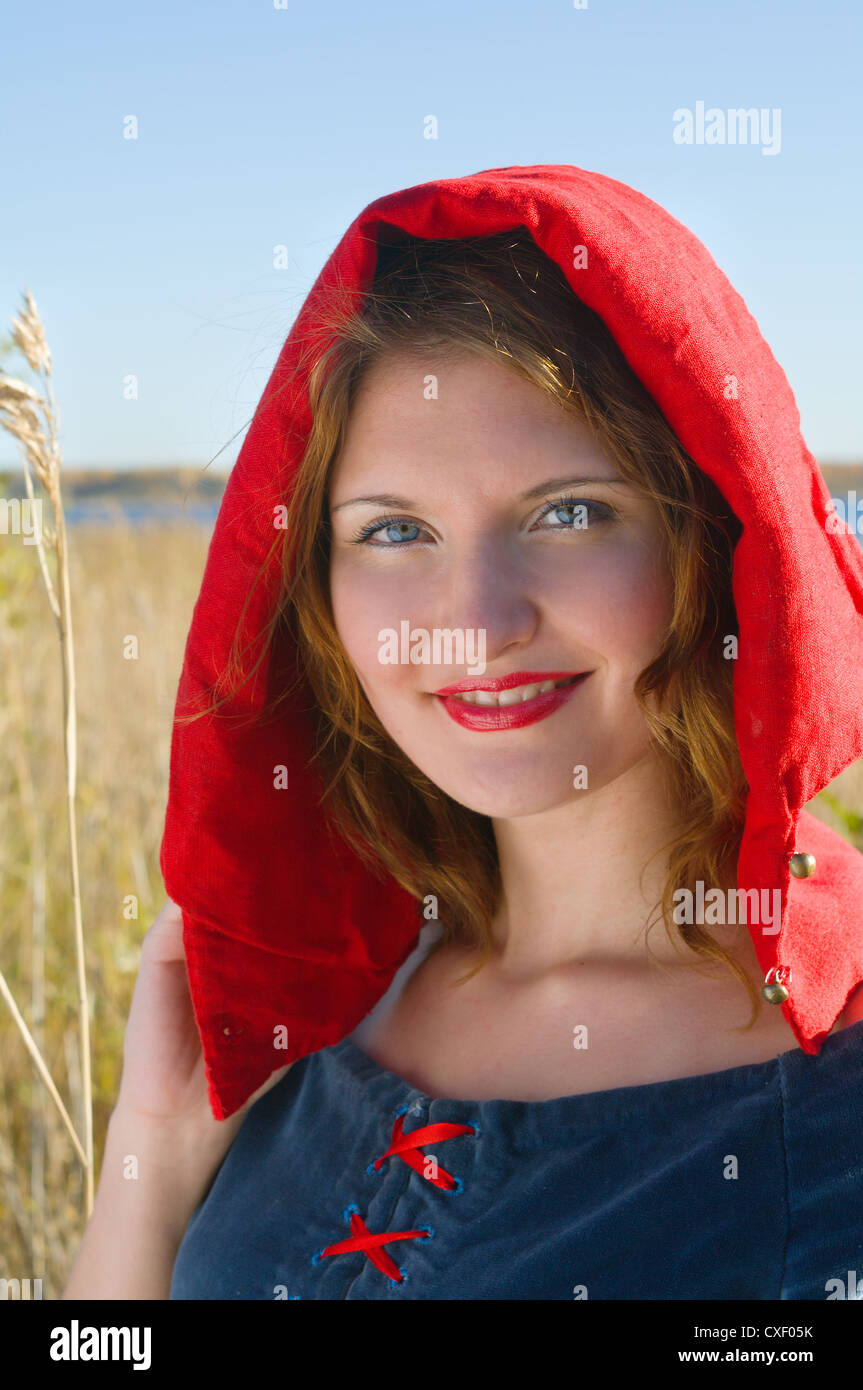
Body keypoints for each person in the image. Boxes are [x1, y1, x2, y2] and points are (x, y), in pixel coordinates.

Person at [63, 165, 863, 1301]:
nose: (474, 625)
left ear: (716, 534)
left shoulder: (827, 1098)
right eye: (393, 531)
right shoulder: (318, 1002)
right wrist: (148, 1155)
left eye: (568, 513)